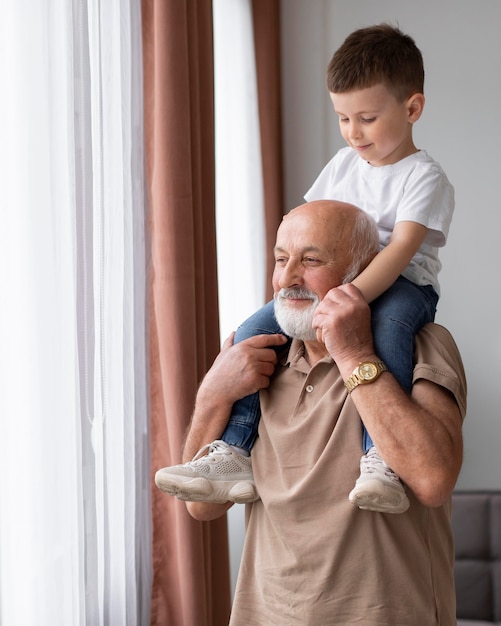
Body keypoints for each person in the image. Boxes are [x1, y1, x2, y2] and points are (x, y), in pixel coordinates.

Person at [155, 24, 455, 514]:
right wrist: (305, 270)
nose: (353, 132)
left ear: (412, 109)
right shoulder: (342, 164)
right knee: (253, 327)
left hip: (401, 285)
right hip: (341, 282)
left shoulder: (424, 176)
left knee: (391, 328)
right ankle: (232, 449)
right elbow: (308, 228)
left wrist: (348, 296)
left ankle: (379, 457)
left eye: (367, 118)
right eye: (342, 118)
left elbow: (401, 248)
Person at [168, 200, 467, 625]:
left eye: (310, 260)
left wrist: (352, 353)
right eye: (280, 259)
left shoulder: (424, 345)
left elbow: (432, 479)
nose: (288, 278)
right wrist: (214, 394)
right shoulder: (258, 361)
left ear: (364, 271)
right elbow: (201, 507)